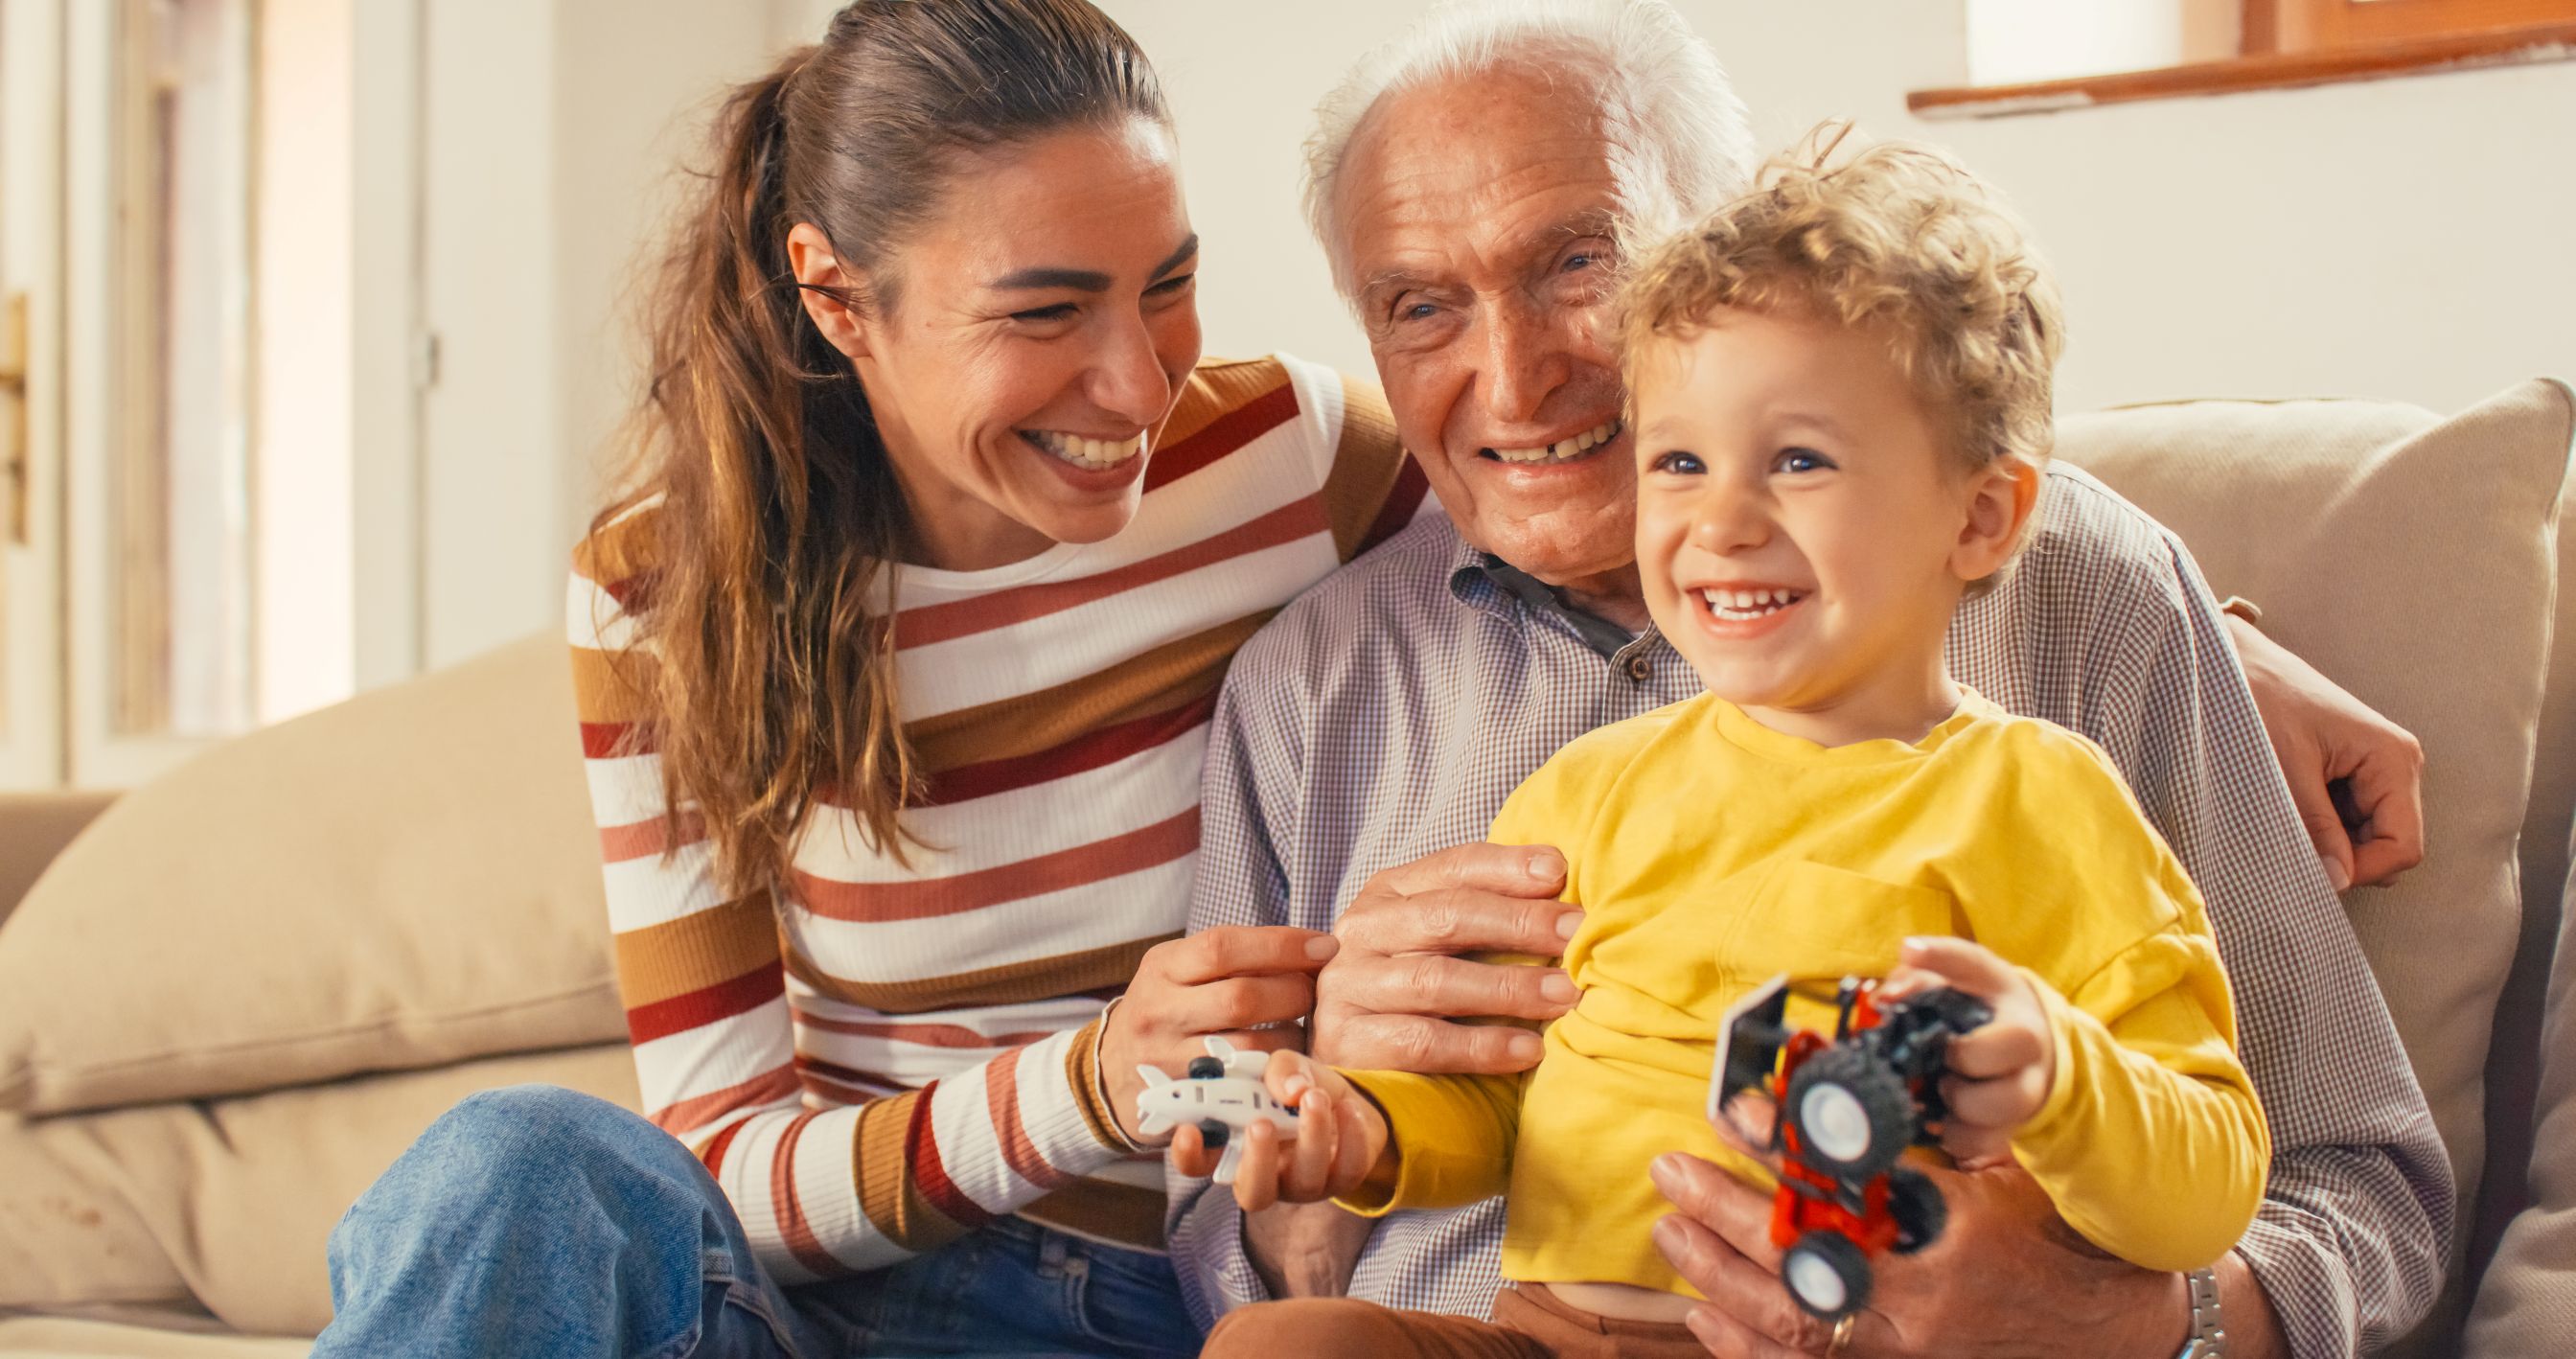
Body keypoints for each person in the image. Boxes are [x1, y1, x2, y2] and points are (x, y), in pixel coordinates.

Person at [1165, 3, 2450, 1356]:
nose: (1517, 377)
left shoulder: (2084, 608)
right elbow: (1211, 1234)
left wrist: (2107, 1321)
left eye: (1579, 260)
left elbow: (2363, 1189)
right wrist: (1335, 1111)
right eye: (1421, 304)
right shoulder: (1313, 686)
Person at [310, 3, 1420, 1356]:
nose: (1137, 383)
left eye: (1168, 283)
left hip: (1170, 1304)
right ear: (839, 297)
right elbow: (721, 1155)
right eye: (1047, 309)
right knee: (513, 1157)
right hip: (824, 1308)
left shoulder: (1300, 462)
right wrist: (1083, 1084)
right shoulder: (662, 590)